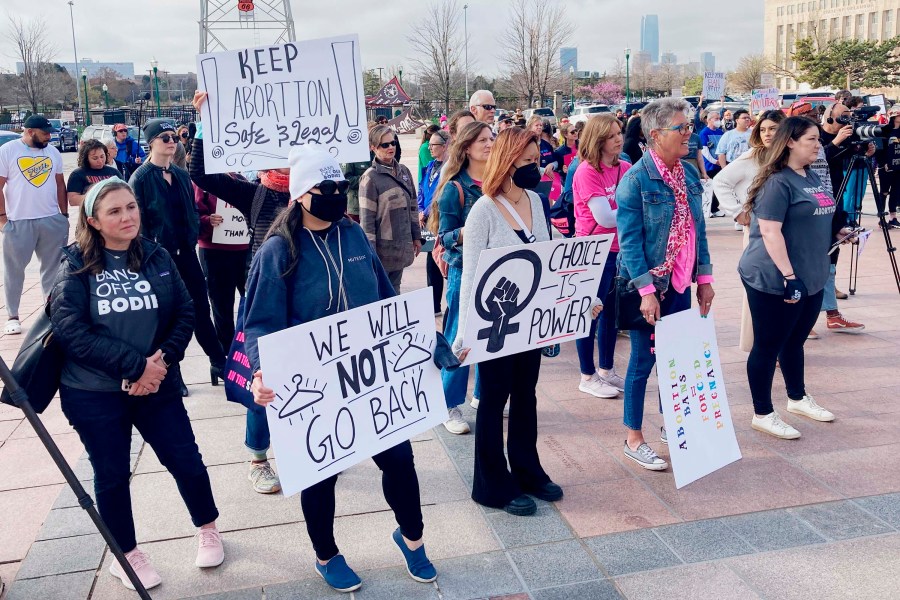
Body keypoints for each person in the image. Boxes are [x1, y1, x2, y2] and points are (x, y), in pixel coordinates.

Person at [245, 146, 454, 593]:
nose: (337, 196)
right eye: (326, 189)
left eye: (341, 187)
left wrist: (427, 337)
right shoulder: (279, 251)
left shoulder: (354, 236)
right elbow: (260, 321)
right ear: (301, 195)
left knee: (400, 460)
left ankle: (412, 539)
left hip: (372, 377)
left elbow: (383, 297)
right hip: (315, 386)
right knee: (319, 474)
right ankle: (326, 554)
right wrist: (263, 371)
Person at [50, 178, 223, 590]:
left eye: (131, 207)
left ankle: (208, 527)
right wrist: (134, 367)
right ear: (92, 220)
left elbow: (185, 312)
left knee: (186, 460)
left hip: (157, 384)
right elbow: (70, 329)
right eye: (114, 211)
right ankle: (125, 553)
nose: (127, 216)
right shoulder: (75, 263)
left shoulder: (156, 255)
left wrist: (160, 363)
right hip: (94, 392)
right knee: (111, 474)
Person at [452, 126, 563, 516]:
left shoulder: (536, 198)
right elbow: (469, 274)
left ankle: (528, 470)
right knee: (494, 399)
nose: (537, 166)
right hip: (495, 323)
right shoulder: (483, 209)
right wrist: (464, 333)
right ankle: (492, 485)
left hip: (529, 322)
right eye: (529, 160)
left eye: (538, 159)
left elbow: (550, 256)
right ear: (509, 160)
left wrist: (580, 299)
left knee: (526, 396)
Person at [189, 90, 290, 494]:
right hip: (263, 296)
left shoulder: (319, 189)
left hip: (306, 297)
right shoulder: (257, 193)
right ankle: (258, 457)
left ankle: (309, 445)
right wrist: (203, 124)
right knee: (262, 380)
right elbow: (201, 174)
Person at [616, 98, 715, 470]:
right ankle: (633, 437)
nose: (689, 134)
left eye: (689, 126)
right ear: (656, 135)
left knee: (676, 359)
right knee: (642, 361)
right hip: (649, 288)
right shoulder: (635, 180)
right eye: (682, 128)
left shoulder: (688, 175)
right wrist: (645, 291)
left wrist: (703, 279)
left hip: (680, 284)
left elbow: (697, 232)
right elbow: (629, 243)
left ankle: (674, 424)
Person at [738, 117, 843, 439]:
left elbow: (816, 215)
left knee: (795, 341)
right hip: (774, 277)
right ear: (791, 142)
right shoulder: (776, 182)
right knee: (768, 346)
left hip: (812, 273)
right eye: (812, 139)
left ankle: (797, 398)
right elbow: (770, 232)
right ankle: (763, 413)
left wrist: (840, 230)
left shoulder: (810, 175)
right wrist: (789, 276)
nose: (818, 144)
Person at [129, 118, 226, 392]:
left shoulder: (182, 175)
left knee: (200, 309)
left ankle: (218, 360)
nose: (171, 142)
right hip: (158, 257)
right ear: (151, 143)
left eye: (173, 137)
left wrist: (197, 227)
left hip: (187, 253)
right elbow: (140, 221)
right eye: (165, 138)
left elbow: (192, 211)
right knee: (168, 317)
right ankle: (173, 372)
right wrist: (148, 253)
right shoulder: (141, 178)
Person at [431, 121, 494, 429]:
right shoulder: (454, 188)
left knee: (493, 333)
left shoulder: (499, 182)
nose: (489, 143)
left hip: (496, 271)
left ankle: (484, 395)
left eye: (492, 138)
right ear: (467, 147)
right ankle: (448, 404)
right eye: (483, 139)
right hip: (464, 271)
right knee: (460, 334)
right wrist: (469, 232)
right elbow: (444, 237)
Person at [714, 109, 786, 352]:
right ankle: (760, 345)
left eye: (773, 129)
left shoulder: (787, 157)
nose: (767, 134)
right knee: (761, 289)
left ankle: (781, 344)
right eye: (763, 129)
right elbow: (720, 181)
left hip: (787, 231)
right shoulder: (753, 156)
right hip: (757, 233)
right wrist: (738, 212)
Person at [572, 114, 629, 398]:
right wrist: (632, 212)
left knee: (611, 315)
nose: (618, 139)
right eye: (611, 135)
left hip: (620, 250)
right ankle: (587, 374)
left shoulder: (626, 167)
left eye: (619, 133)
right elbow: (605, 217)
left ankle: (606, 369)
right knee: (589, 313)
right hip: (592, 251)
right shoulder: (586, 171)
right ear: (598, 139)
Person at [0, 115, 69, 335]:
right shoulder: (9, 150)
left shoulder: (53, 152)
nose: (49, 136)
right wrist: (2, 218)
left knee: (52, 269)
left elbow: (60, 183)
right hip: (19, 220)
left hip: (51, 218)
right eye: (44, 132)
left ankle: (49, 312)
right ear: (30, 131)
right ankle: (12, 315)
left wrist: (64, 215)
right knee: (14, 270)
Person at [359, 125, 421, 292]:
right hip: (382, 253)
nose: (391, 147)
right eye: (384, 145)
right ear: (373, 147)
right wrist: (371, 256)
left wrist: (417, 236)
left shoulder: (404, 172)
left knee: (396, 292)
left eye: (393, 143)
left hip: (401, 247)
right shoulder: (370, 178)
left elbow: (413, 206)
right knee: (383, 296)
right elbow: (367, 222)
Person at [194, 178, 250, 359]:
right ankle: (228, 356)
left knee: (251, 302)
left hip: (243, 249)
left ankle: (249, 351)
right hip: (215, 251)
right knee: (222, 307)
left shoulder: (242, 181)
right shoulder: (202, 183)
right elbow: (192, 215)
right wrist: (206, 220)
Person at [418, 130, 450, 315]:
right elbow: (422, 189)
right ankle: (433, 305)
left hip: (440, 218)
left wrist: (429, 211)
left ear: (444, 146)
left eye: (434, 145)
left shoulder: (450, 167)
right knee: (431, 260)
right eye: (429, 145)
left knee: (442, 259)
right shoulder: (430, 166)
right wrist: (421, 210)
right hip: (427, 219)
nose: (429, 148)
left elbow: (441, 194)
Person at [66, 139, 121, 206]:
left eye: (102, 156)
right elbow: (73, 200)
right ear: (86, 158)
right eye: (95, 158)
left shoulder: (114, 172)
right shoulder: (78, 174)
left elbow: (124, 192)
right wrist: (98, 197)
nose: (100, 161)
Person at [698, 110, 726, 216]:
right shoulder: (704, 133)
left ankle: (715, 208)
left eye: (719, 118)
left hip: (720, 165)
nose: (718, 121)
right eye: (716, 118)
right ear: (709, 120)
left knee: (718, 187)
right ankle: (708, 208)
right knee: (709, 188)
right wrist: (715, 161)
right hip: (710, 165)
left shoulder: (720, 132)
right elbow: (704, 150)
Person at [877, 105, 900, 229]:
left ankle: (893, 217)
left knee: (896, 192)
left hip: (898, 166)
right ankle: (882, 218)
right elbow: (879, 149)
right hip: (886, 167)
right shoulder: (885, 130)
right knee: (884, 192)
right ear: (894, 116)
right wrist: (883, 162)